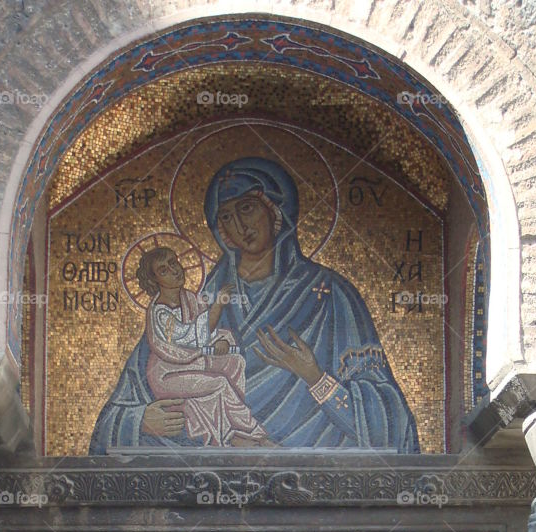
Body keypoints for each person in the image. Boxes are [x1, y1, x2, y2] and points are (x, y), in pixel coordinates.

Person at [89, 155, 419, 453]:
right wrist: (141, 421)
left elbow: (391, 428)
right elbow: (116, 417)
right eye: (227, 217)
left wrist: (316, 377)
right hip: (210, 487)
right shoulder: (196, 304)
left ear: (274, 209)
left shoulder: (331, 295)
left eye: (247, 207)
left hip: (314, 487)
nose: (240, 226)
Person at [138, 244, 271, 448]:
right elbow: (192, 337)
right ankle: (251, 433)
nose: (174, 271)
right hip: (168, 375)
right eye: (163, 270)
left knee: (235, 363)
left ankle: (233, 429)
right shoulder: (160, 313)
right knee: (220, 383)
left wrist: (219, 340)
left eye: (174, 263)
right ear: (154, 280)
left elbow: (205, 334)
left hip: (192, 364)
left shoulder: (189, 298)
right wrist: (217, 306)